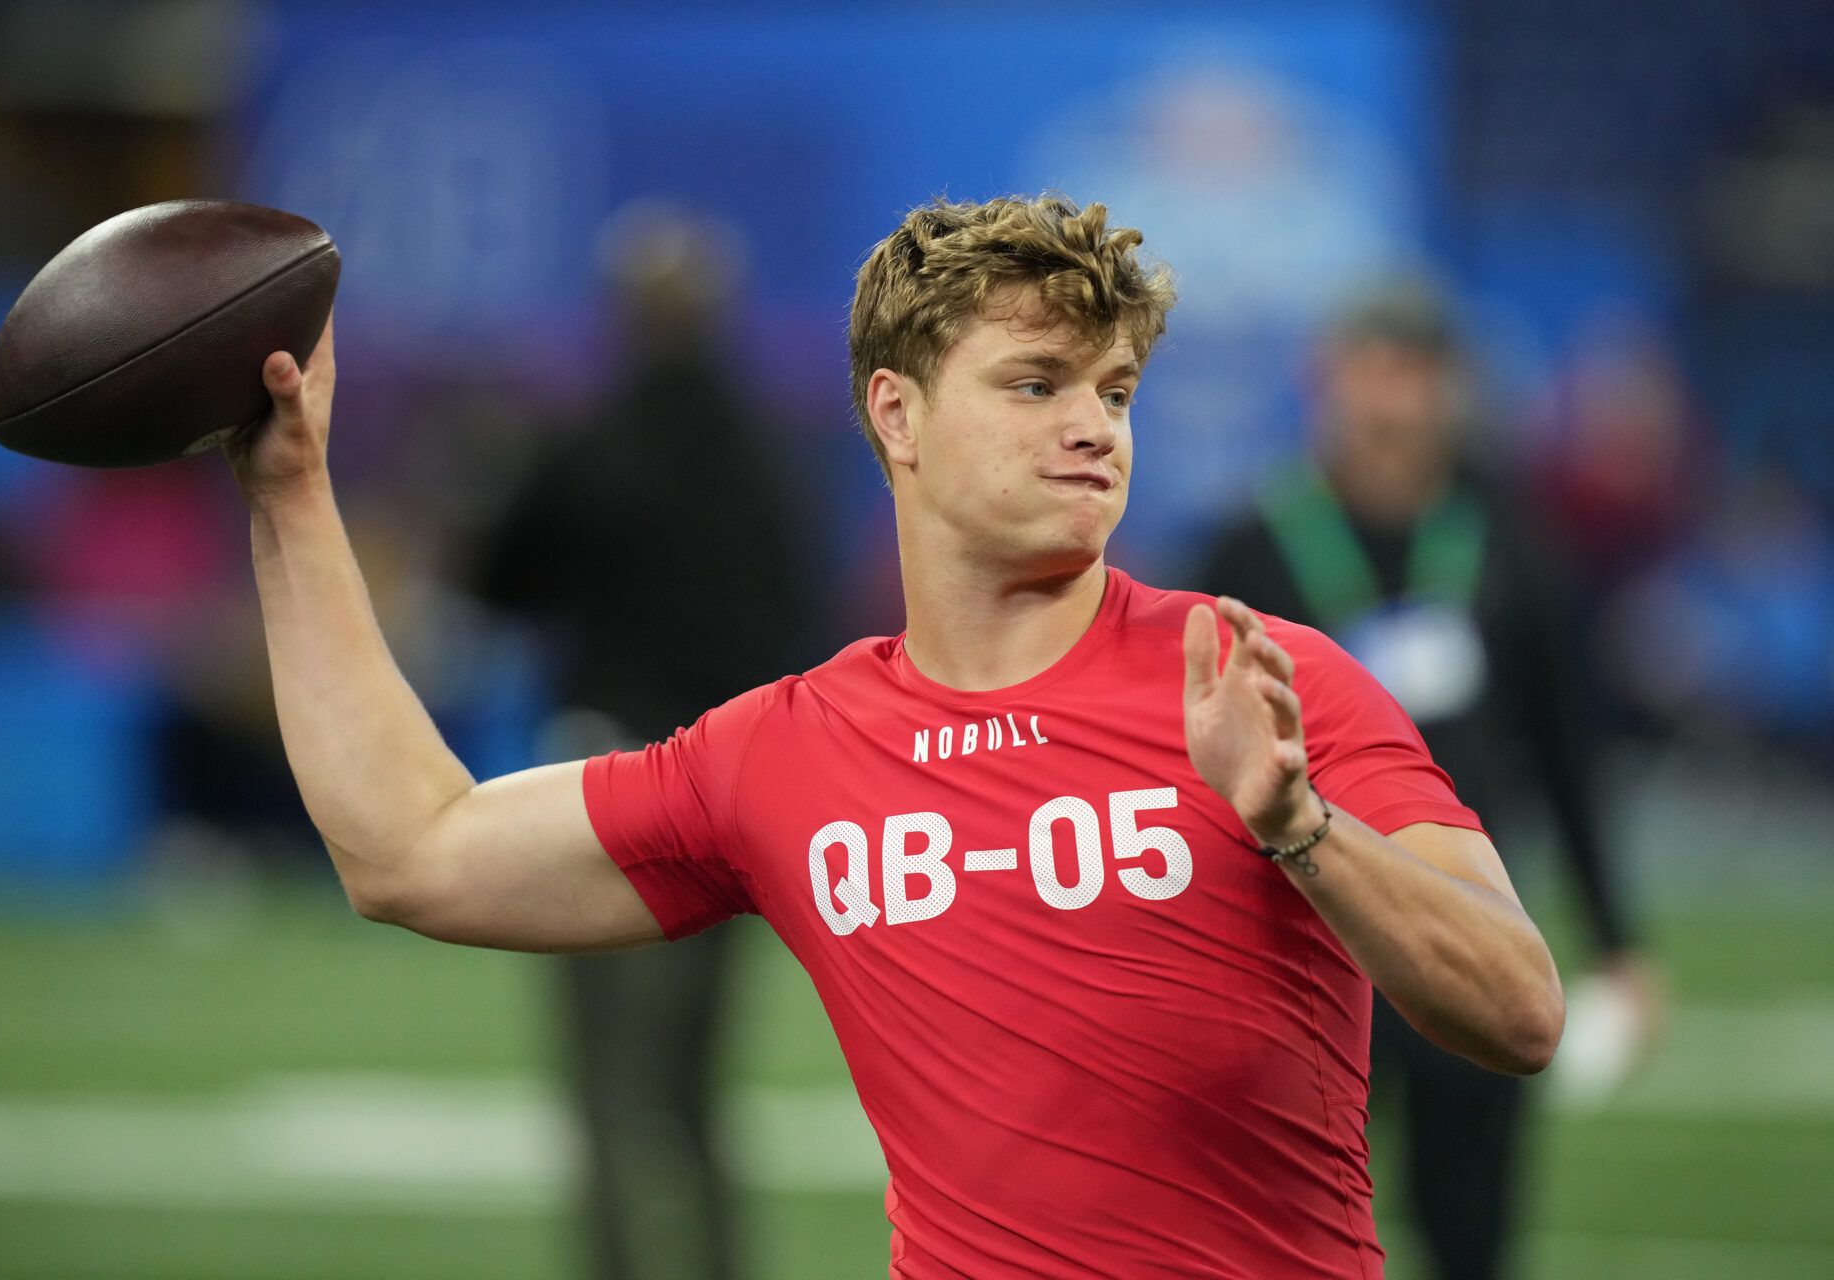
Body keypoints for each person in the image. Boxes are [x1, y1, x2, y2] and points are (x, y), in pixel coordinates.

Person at [226, 195, 1563, 1279]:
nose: (1094, 426)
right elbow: (413, 849)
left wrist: (1299, 829)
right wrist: (290, 494)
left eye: (1116, 389)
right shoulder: (787, 752)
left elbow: (1517, 1008)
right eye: (1035, 384)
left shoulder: (1265, 681)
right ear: (896, 413)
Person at [1186, 281, 1657, 1279]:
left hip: (1456, 914)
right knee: (1276, 1232)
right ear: (1322, 383)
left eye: (1414, 374)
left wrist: (1617, 938)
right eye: (1369, 371)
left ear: (1454, 388)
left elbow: (1568, 749)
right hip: (1297, 939)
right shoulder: (1251, 542)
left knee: (1471, 1229)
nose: (1390, 401)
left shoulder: (1513, 539)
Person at [469, 203, 813, 1280]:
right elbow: (799, 613)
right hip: (730, 797)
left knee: (610, 1092)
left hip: (609, 793)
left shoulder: (590, 440)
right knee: (697, 1096)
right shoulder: (770, 451)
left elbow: (495, 577)